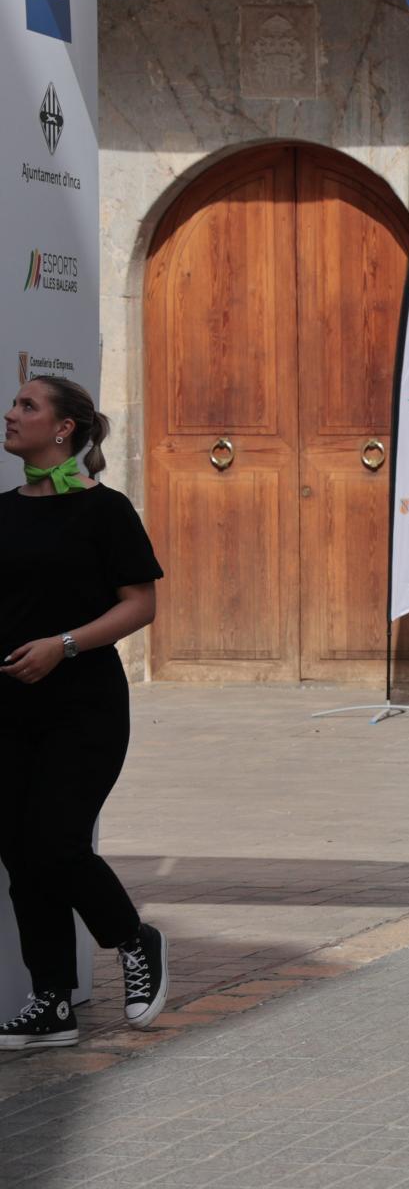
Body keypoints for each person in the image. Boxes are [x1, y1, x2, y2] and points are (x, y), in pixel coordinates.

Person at [0, 376, 169, 1049]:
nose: (11, 415)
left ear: (64, 429)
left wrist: (63, 646)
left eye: (27, 406)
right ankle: (50, 1001)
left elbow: (140, 604)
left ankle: (134, 939)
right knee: (21, 852)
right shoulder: (3, 510)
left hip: (84, 706)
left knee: (56, 841)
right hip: (8, 711)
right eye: (15, 405)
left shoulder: (105, 510)